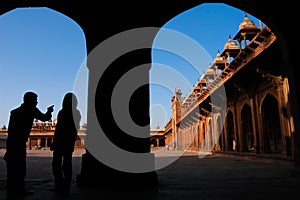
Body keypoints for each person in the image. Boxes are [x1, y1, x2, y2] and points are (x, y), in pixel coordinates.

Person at [3, 91, 54, 198]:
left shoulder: (15, 112)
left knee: (14, 169)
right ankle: (17, 191)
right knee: (19, 168)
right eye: (35, 100)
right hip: (18, 143)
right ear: (30, 100)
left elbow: (11, 132)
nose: (36, 102)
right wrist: (49, 111)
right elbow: (44, 118)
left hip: (14, 142)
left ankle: (13, 191)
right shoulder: (31, 110)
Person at [51, 92, 81, 192]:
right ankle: (64, 185)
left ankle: (60, 184)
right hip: (67, 141)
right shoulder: (75, 113)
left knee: (58, 164)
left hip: (62, 140)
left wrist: (55, 140)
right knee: (65, 163)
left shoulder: (64, 112)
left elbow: (59, 128)